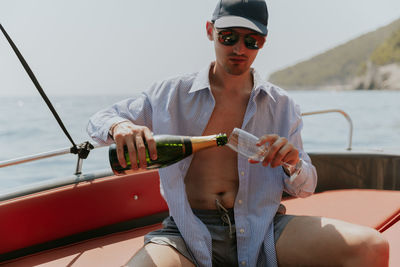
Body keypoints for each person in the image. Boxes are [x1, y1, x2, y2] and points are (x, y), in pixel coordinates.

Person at [87, 0, 389, 266]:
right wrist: (120, 126)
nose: (239, 49)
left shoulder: (282, 106)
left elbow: (306, 186)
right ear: (210, 31)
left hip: (264, 226)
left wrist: (292, 162)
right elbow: (99, 120)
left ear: (263, 41)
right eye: (228, 36)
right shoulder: (170, 94)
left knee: (371, 247)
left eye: (251, 40)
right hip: (186, 233)